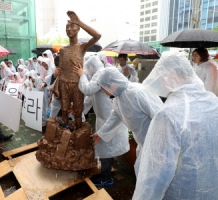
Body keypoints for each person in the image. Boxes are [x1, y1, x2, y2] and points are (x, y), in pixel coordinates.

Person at [133, 51, 218, 199]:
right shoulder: (213, 101)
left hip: (183, 191)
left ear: (170, 76)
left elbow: (156, 173)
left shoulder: (169, 114)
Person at [91, 67, 163, 176]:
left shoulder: (137, 92)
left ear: (112, 85)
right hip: (144, 141)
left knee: (156, 173)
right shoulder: (118, 98)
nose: (103, 92)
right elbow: (115, 116)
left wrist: (162, 140)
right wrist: (101, 134)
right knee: (143, 172)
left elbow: (160, 115)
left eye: (103, 88)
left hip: (157, 142)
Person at [74, 56, 129, 187]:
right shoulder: (98, 77)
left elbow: (87, 90)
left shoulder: (100, 75)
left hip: (108, 120)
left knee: (105, 149)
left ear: (91, 67)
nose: (86, 71)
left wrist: (81, 76)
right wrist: (79, 110)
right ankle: (107, 170)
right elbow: (90, 98)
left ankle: (106, 178)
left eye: (87, 68)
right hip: (105, 119)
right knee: (107, 148)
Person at [57, 11, 101, 130]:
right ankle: (65, 135)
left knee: (77, 111)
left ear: (78, 29)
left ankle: (78, 135)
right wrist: (57, 75)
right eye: (67, 27)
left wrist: (79, 22)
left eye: (72, 26)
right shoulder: (63, 50)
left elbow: (97, 36)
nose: (69, 29)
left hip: (77, 84)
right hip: (64, 83)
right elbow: (60, 69)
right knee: (64, 110)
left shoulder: (82, 47)